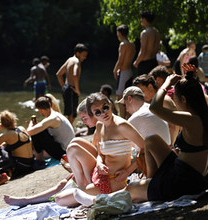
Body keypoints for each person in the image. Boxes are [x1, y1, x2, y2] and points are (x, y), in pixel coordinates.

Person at [72, 64, 208, 206]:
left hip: (185, 181)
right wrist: (191, 79)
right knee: (151, 140)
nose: (173, 100)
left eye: (175, 97)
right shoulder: (201, 115)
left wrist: (166, 85)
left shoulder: (190, 119)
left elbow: (155, 107)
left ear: (184, 99)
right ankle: (152, 182)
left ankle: (97, 200)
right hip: (186, 172)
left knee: (132, 188)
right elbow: (197, 94)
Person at [4, 92, 145, 207]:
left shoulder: (122, 126)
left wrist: (127, 171)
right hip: (100, 174)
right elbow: (101, 153)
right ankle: (26, 200)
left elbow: (146, 149)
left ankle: (82, 191)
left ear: (110, 104)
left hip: (114, 181)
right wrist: (99, 163)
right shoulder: (101, 126)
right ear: (93, 114)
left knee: (60, 200)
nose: (103, 113)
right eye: (97, 112)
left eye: (105, 107)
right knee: (65, 181)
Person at [132, 74, 179, 145]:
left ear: (150, 87)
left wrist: (171, 145)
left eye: (142, 92)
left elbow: (174, 126)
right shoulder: (151, 101)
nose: (140, 96)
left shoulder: (163, 100)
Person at [27, 96, 74, 162]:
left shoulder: (51, 118)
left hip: (64, 153)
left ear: (40, 110)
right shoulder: (56, 115)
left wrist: (31, 124)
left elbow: (29, 132)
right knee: (38, 129)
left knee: (36, 132)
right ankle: (39, 157)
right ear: (49, 104)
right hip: (69, 148)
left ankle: (39, 158)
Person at [56, 43, 89, 125]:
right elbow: (75, 74)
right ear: (78, 53)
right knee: (72, 114)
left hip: (67, 88)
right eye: (83, 55)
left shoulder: (69, 59)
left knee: (69, 113)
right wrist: (77, 90)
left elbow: (59, 74)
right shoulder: (77, 61)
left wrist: (64, 86)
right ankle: (67, 131)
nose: (85, 57)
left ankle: (67, 130)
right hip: (72, 89)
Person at [113, 24, 136, 118]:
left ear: (120, 33)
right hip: (130, 71)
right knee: (128, 96)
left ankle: (122, 118)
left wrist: (115, 70)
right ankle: (128, 116)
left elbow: (121, 59)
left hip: (123, 72)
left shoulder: (123, 44)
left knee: (120, 97)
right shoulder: (132, 44)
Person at [133, 10, 160, 75]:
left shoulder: (145, 33)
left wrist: (136, 62)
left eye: (141, 18)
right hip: (154, 62)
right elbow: (158, 48)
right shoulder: (156, 32)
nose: (140, 20)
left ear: (144, 19)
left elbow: (143, 51)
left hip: (145, 64)